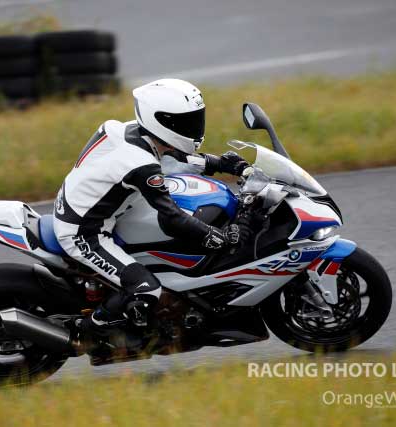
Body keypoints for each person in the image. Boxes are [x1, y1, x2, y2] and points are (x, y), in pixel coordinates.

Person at [53, 78, 249, 337]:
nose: (194, 128)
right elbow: (173, 218)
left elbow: (174, 157)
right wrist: (216, 237)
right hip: (83, 233)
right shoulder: (142, 166)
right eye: (184, 123)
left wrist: (222, 164)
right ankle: (84, 333)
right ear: (161, 122)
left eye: (194, 120)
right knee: (146, 289)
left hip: (89, 206)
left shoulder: (128, 130)